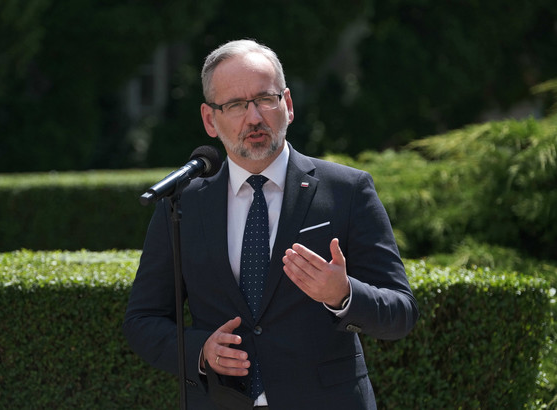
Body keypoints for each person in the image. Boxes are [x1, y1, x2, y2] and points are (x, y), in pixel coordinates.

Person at [123, 39, 419, 410]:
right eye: (234, 105)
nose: (254, 117)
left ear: (288, 105)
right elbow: (143, 320)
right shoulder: (184, 203)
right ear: (209, 120)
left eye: (265, 99)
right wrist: (200, 350)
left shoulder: (348, 190)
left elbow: (401, 313)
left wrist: (343, 295)